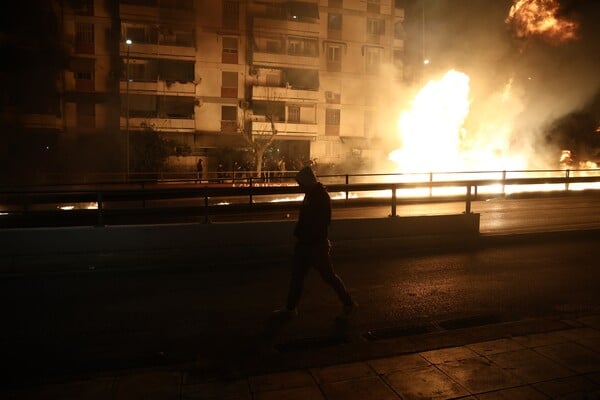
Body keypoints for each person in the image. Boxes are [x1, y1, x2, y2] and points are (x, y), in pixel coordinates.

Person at [273, 166, 357, 320]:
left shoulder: (319, 197)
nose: (299, 187)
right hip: (308, 243)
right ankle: (291, 308)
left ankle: (348, 303)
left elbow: (322, 222)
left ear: (307, 182)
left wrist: (306, 238)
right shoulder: (312, 194)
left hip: (315, 245)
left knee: (327, 276)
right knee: (299, 276)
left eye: (301, 183)